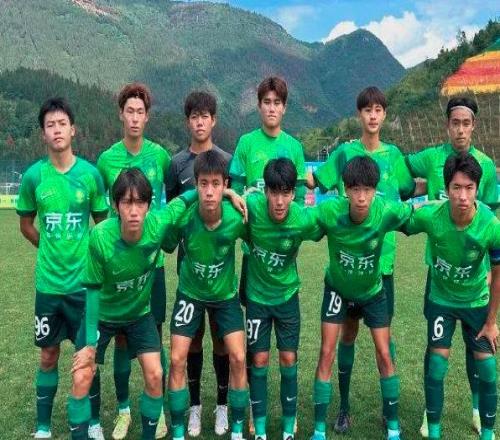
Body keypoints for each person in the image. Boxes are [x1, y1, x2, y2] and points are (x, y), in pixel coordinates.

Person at [308, 86, 421, 433]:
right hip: (347, 264)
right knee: (348, 335)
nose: (373, 116)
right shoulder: (345, 153)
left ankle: (390, 416)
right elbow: (316, 179)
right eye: (367, 110)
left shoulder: (394, 156)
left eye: (378, 110)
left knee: (384, 342)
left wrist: (446, 190)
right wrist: (277, 180)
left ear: (384, 114)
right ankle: (343, 407)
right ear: (359, 114)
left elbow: (409, 192)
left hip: (382, 264)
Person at [68, 168, 197, 440]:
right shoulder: (100, 237)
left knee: (155, 374)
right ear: (116, 206)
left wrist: (227, 192)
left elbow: (183, 200)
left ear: (149, 205)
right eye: (127, 202)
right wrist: (90, 344)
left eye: (140, 202)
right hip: (102, 316)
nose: (134, 211)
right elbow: (92, 291)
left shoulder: (157, 224)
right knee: (81, 374)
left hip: (139, 314)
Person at [405, 97, 499, 437]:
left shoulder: (485, 167)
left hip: (476, 279)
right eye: (455, 122)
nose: (460, 129)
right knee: (437, 353)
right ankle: (432, 417)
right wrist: (406, 189)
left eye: (466, 123)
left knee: (481, 357)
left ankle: (478, 411)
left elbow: (491, 215)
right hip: (441, 280)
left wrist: (492, 312)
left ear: (473, 126)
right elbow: (401, 179)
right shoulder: (433, 159)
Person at [16, 98, 108, 439]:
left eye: (62, 123)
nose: (56, 130)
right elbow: (26, 225)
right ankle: (43, 427)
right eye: (50, 125)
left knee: (87, 356)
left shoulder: (90, 175)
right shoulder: (33, 177)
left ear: (73, 130)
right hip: (49, 287)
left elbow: (102, 227)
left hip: (83, 287)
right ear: (43, 133)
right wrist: (49, 249)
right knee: (48, 354)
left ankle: (93, 422)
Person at [229, 75, 306, 434]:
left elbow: (300, 200)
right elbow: (235, 193)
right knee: (257, 352)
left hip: (284, 252)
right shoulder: (246, 144)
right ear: (258, 106)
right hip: (254, 255)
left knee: (288, 355)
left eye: (277, 103)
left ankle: (288, 420)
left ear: (284, 108)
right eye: (266, 102)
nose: (272, 108)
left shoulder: (293, 147)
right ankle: (254, 416)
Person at [97, 82, 171, 439]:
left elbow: (171, 202)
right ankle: (124, 410)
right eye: (130, 111)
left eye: (141, 112)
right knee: (122, 340)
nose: (135, 118)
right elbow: (101, 213)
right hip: (118, 267)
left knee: (153, 334)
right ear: (121, 114)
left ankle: (157, 411)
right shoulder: (106, 160)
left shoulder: (160, 156)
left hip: (152, 266)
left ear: (148, 116)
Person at [163, 150, 248, 440]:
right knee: (177, 358)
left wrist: (233, 196)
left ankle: (228, 414)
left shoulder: (238, 217)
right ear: (195, 185)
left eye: (216, 184)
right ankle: (191, 411)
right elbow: (166, 244)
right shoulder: (185, 218)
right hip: (191, 293)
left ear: (225, 184)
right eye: (203, 184)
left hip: (224, 296)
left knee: (237, 356)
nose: (209, 191)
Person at [165, 91, 232, 436]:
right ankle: (194, 406)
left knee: (222, 341)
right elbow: (173, 212)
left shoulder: (226, 160)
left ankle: (222, 406)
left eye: (206, 116)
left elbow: (233, 207)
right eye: (194, 116)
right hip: (189, 267)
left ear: (214, 120)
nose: (200, 122)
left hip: (219, 270)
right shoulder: (176, 164)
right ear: (188, 121)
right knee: (192, 340)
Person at [245, 158, 321, 440]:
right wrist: (229, 192)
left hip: (287, 297)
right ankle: (260, 428)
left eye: (285, 193)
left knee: (288, 358)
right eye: (274, 193)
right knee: (259, 359)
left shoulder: (302, 218)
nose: (279, 201)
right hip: (257, 298)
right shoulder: (251, 208)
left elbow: (333, 221)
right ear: (265, 191)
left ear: (293, 193)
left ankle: (289, 426)